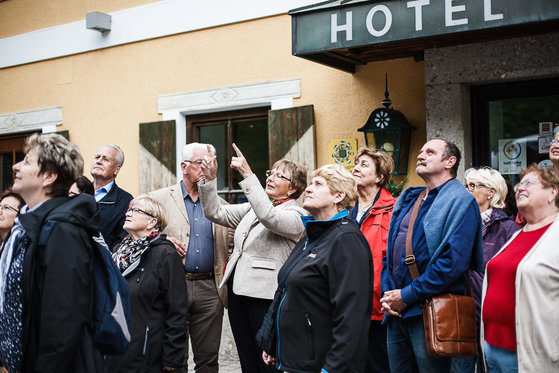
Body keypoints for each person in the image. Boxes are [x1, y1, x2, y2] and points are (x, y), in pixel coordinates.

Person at [199, 143, 307, 373]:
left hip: (265, 298)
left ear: (292, 189)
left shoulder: (297, 215)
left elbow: (269, 218)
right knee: (247, 360)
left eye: (280, 176)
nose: (271, 177)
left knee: (266, 363)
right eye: (271, 172)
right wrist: (209, 180)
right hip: (238, 292)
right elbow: (214, 212)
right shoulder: (252, 208)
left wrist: (248, 175)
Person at [0, 133, 103, 372]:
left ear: (48, 176)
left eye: (26, 162)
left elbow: (63, 321)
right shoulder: (26, 226)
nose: (15, 166)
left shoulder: (63, 231)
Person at [380, 138, 484, 373]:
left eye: (430, 151)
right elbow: (390, 253)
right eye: (420, 150)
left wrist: (406, 295)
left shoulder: (462, 202)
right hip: (396, 313)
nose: (420, 154)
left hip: (431, 312)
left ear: (450, 161)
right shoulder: (409, 199)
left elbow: (452, 264)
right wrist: (389, 296)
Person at [262, 164, 373, 372]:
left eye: (318, 184)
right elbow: (284, 289)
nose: (309, 189)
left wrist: (332, 368)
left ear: (338, 196)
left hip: (320, 364)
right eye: (310, 184)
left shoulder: (346, 240)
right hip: (294, 358)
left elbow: (351, 315)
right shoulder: (312, 234)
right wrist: (272, 341)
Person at [149, 142, 233, 373]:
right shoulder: (157, 199)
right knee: (173, 360)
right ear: (184, 166)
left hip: (210, 289)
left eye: (210, 163)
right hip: (173, 286)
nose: (206, 168)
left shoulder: (222, 207)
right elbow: (138, 234)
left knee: (208, 361)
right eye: (200, 163)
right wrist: (163, 242)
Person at [481, 165, 559, 372]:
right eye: (519, 184)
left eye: (529, 183)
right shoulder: (517, 234)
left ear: (553, 192)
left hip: (532, 355)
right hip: (493, 348)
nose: (520, 188)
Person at [106, 195, 188, 372]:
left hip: (146, 353)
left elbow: (177, 311)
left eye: (136, 210)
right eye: (129, 210)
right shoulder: (117, 252)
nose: (128, 213)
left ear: (152, 222)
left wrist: (172, 357)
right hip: (113, 349)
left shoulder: (165, 254)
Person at [350, 147, 395, 373]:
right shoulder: (345, 209)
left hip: (380, 308)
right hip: (348, 308)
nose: (356, 168)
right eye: (356, 163)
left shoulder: (395, 209)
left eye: (364, 164)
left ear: (379, 177)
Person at [91, 144, 133, 249]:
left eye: (106, 159)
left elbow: (122, 243)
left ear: (117, 169)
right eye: (97, 157)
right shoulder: (77, 191)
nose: (99, 161)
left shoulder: (125, 201)